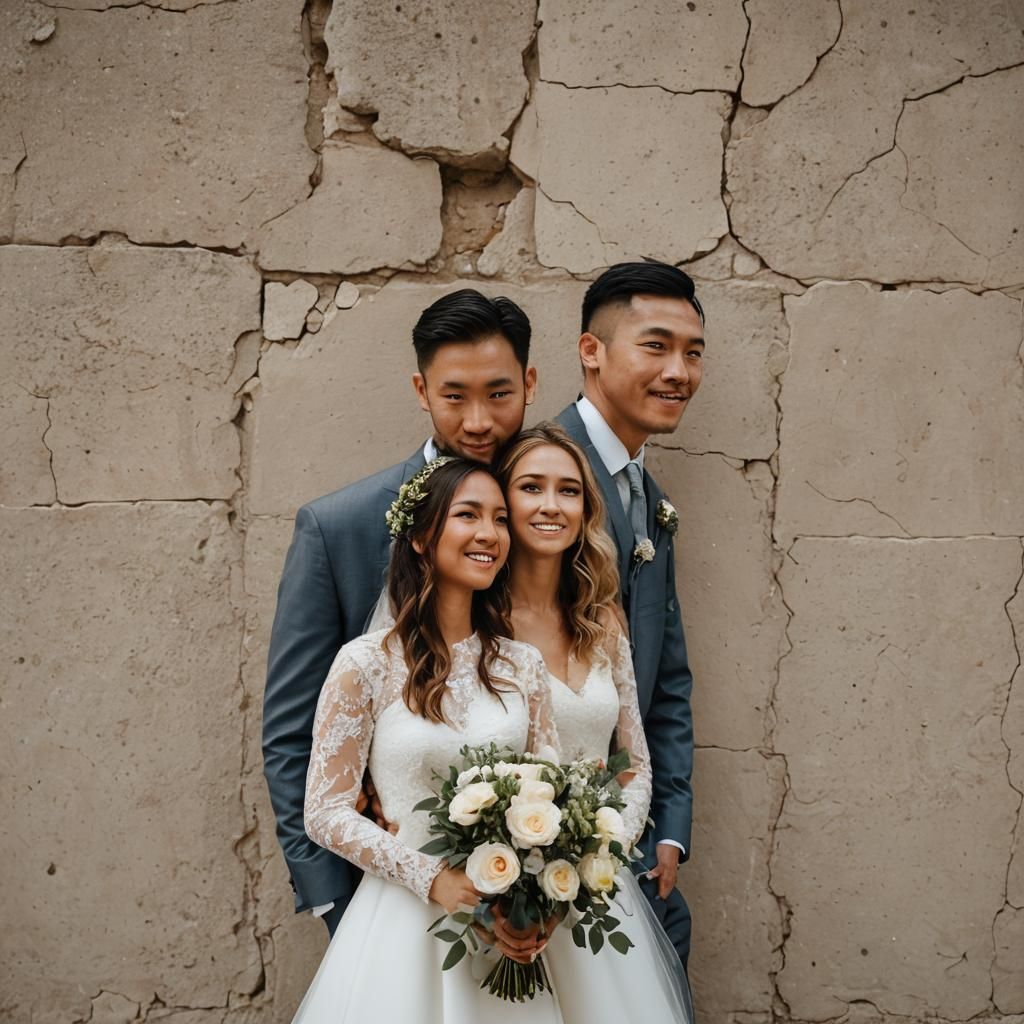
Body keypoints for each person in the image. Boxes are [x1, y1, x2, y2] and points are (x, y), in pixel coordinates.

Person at [262, 289, 536, 936]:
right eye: (454, 395)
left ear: (529, 384)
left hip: (531, 900)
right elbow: (293, 731)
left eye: (499, 394)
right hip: (385, 904)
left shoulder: (559, 509)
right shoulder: (339, 526)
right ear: (421, 390)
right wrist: (335, 901)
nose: (478, 421)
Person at [292, 456, 564, 1022]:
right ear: (420, 538)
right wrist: (431, 878)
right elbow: (324, 811)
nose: (489, 533)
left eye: (499, 519)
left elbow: (553, 793)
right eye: (468, 515)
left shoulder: (524, 665)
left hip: (507, 919)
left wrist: (541, 904)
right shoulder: (365, 664)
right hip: (405, 921)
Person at [495, 423, 694, 1021]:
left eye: (569, 491)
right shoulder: (477, 621)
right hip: (500, 892)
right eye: (531, 487)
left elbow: (632, 761)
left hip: (595, 885)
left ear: (586, 510)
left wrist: (597, 856)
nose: (551, 505)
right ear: (503, 501)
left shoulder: (602, 618)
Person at [555, 260, 705, 968]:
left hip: (636, 842)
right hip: (552, 841)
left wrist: (668, 825)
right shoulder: (540, 478)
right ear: (592, 350)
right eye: (656, 346)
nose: (679, 371)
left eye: (693, 352)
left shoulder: (653, 497)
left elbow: (665, 678)